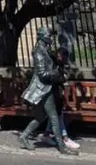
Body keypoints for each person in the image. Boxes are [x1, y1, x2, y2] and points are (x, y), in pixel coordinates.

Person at [19, 26, 76, 155]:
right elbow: (42, 74)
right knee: (54, 117)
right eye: (49, 36)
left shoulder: (46, 50)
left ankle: (24, 136)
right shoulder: (39, 52)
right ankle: (62, 147)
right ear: (43, 36)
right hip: (43, 88)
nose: (51, 38)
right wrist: (59, 77)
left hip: (46, 86)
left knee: (40, 117)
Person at [43, 42, 80, 151]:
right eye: (63, 56)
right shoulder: (54, 64)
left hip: (55, 93)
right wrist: (64, 78)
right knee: (58, 116)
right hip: (52, 93)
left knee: (55, 116)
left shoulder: (59, 64)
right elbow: (54, 78)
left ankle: (46, 134)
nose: (63, 59)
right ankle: (65, 138)